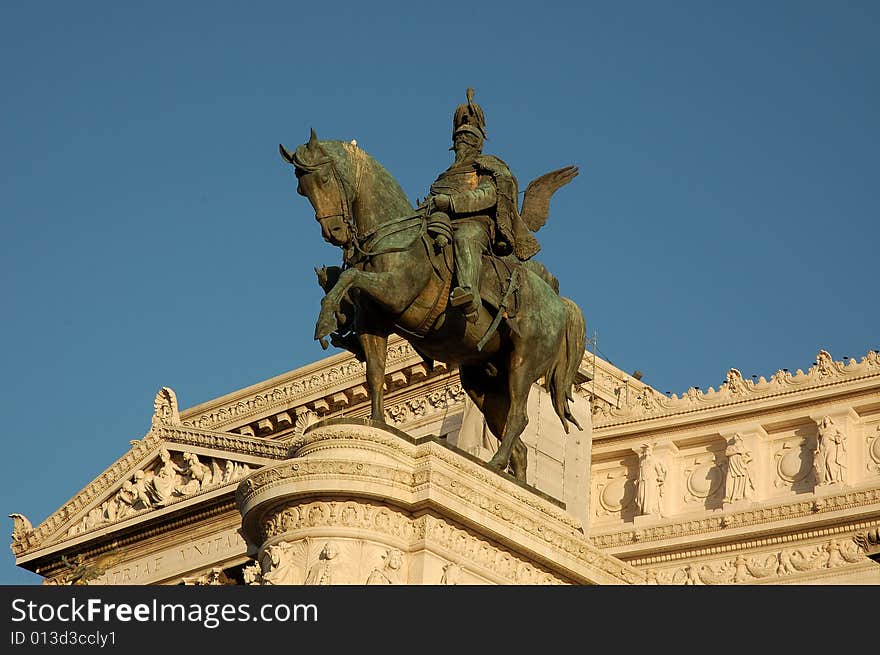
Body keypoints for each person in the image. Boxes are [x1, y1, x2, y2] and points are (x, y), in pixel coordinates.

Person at [423, 88, 539, 322]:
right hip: (441, 223)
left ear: (477, 143)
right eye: (458, 140)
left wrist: (452, 203)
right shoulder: (443, 176)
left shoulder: (487, 165)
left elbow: (488, 194)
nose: (461, 144)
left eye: (466, 140)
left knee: (465, 238)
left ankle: (468, 293)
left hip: (477, 226)